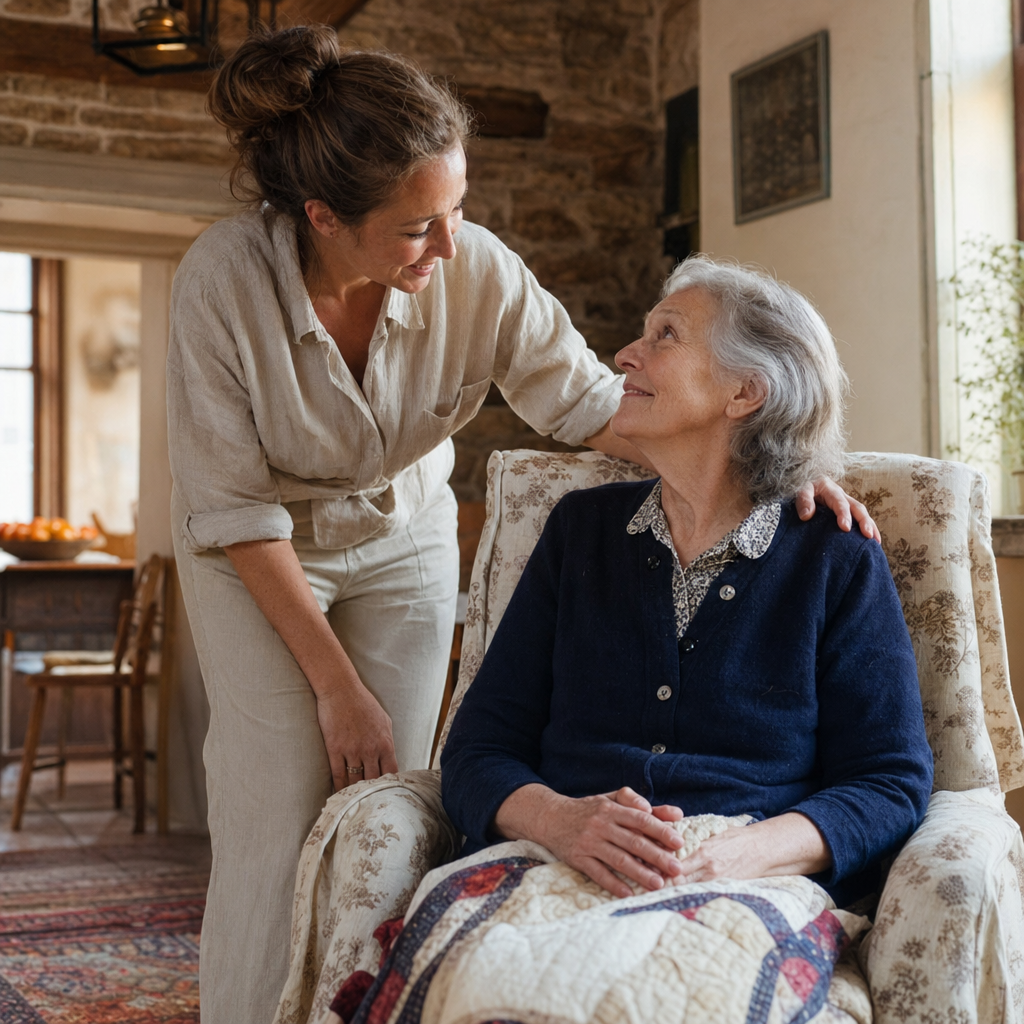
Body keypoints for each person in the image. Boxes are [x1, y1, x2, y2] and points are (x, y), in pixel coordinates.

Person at [166, 27, 878, 1023]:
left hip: (401, 532)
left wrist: (793, 475)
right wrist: (337, 688)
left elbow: (597, 404)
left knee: (384, 803)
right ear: (324, 218)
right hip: (261, 547)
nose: (450, 246)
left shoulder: (476, 269)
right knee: (272, 810)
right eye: (419, 227)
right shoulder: (220, 284)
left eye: (456, 210)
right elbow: (237, 508)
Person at [441, 256, 934, 909]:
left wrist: (743, 854)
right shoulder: (579, 532)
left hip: (747, 884)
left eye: (664, 335)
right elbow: (477, 749)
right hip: (551, 865)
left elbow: (889, 782)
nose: (623, 356)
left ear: (744, 393)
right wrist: (560, 821)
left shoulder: (835, 558)